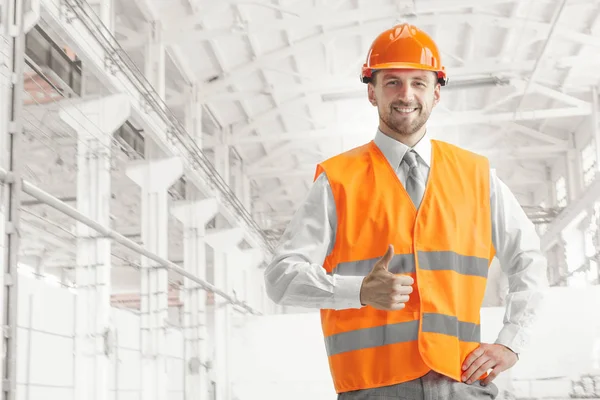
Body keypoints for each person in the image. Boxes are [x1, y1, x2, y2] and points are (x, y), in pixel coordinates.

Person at [264, 23, 548, 400]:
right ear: (372, 92)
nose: (406, 94)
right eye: (392, 82)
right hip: (371, 388)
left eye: (419, 82)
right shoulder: (337, 180)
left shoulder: (478, 177)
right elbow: (281, 278)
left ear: (436, 93)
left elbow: (529, 259)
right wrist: (359, 290)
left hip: (460, 382)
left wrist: (512, 342)